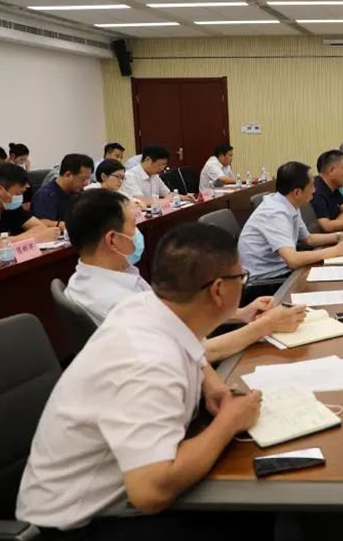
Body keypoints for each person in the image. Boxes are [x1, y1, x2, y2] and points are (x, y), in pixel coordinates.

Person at [16, 223, 267, 538]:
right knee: (261, 518)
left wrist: (212, 384)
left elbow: (193, 350)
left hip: (111, 492)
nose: (243, 284)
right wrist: (229, 422)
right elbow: (150, 492)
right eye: (241, 277)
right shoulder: (146, 361)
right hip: (79, 524)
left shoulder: (149, 305)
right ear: (219, 290)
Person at [63, 189, 305, 362]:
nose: (138, 232)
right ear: (113, 240)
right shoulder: (112, 301)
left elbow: (171, 318)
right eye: (133, 226)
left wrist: (241, 314)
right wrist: (264, 326)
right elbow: (189, 352)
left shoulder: (103, 274)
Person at [240, 161, 343, 279]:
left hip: (283, 271)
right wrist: (337, 250)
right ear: (297, 192)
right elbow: (293, 260)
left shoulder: (288, 203)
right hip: (268, 281)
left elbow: (308, 239)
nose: (314, 190)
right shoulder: (275, 213)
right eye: (311, 186)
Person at [31, 153, 93, 228]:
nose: (86, 184)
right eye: (83, 179)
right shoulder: (45, 195)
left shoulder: (79, 192)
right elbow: (42, 222)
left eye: (87, 180)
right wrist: (71, 225)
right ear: (68, 175)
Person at [0, 163, 58, 241]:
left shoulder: (11, 208)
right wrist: (32, 238)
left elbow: (40, 227)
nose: (19, 198)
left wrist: (13, 240)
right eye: (18, 194)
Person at [121, 145, 192, 205]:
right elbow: (140, 200)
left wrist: (184, 197)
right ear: (148, 160)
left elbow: (167, 194)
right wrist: (166, 201)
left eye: (164, 165)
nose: (162, 168)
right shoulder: (130, 176)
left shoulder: (155, 175)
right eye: (160, 165)